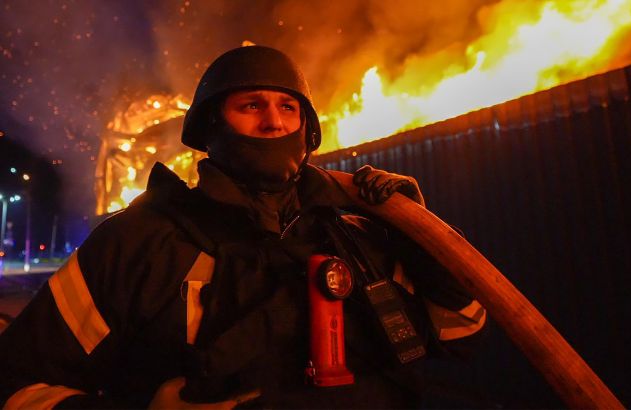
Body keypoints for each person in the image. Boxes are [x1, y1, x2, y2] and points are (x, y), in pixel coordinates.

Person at [0, 45, 487, 409]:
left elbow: (463, 331)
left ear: (306, 130)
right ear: (211, 129)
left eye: (288, 107)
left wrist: (420, 242)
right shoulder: (136, 243)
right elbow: (16, 386)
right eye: (252, 105)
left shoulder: (358, 238)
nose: (274, 122)